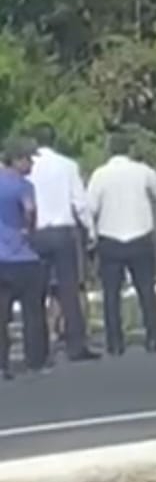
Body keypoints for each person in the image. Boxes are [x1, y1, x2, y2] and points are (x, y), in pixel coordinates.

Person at [87, 132, 156, 355]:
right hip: (140, 236)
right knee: (146, 289)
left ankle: (115, 343)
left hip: (110, 238)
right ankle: (154, 337)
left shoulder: (100, 174)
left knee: (111, 294)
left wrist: (92, 234)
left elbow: (91, 207)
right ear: (130, 150)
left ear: (109, 149)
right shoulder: (142, 171)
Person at [28, 124, 100, 362]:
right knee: (69, 290)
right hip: (63, 232)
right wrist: (90, 230)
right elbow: (79, 202)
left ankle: (39, 348)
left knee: (36, 293)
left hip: (36, 232)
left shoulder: (28, 168)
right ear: (55, 140)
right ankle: (76, 345)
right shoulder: (68, 165)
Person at [0, 138, 48, 379]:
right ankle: (35, 360)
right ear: (17, 160)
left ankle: (2, 364)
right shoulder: (23, 185)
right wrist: (28, 229)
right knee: (33, 312)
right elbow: (29, 209)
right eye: (28, 159)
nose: (31, 164)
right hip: (23, 258)